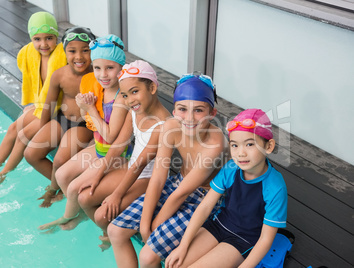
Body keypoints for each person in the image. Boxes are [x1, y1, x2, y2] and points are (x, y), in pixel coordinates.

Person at [107, 74, 227, 268]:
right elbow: (158, 177)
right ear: (174, 109)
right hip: (178, 182)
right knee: (115, 231)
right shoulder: (170, 126)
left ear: (212, 113)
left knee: (148, 256)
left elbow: (182, 194)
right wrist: (145, 225)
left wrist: (153, 227)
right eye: (182, 109)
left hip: (206, 197)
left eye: (198, 110)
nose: (189, 118)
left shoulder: (215, 143)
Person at [165, 108, 288, 268]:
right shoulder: (231, 168)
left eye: (249, 144)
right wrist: (183, 245)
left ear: (269, 146)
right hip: (219, 224)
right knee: (176, 264)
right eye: (234, 145)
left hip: (244, 239)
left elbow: (265, 239)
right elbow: (205, 207)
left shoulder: (275, 188)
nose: (241, 153)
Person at [75, 60, 171, 251]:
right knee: (84, 198)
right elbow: (118, 146)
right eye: (125, 95)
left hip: (148, 178)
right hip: (131, 167)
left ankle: (115, 235)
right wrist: (98, 174)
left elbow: (141, 165)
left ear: (152, 87)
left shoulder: (164, 124)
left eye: (135, 92)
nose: (130, 100)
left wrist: (117, 195)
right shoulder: (135, 110)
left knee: (101, 215)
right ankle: (108, 232)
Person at [0, 12, 67, 190]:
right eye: (37, 39)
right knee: (13, 128)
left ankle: (1, 177)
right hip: (43, 107)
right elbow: (40, 87)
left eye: (49, 38)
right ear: (31, 39)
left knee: (22, 136)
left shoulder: (62, 56)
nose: (43, 44)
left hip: (58, 111)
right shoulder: (30, 54)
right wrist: (35, 106)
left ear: (56, 37)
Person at [37, 34, 129, 227]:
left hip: (116, 157)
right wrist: (83, 105)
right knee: (61, 174)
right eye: (97, 68)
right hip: (97, 148)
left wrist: (90, 109)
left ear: (121, 68)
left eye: (109, 68)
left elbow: (111, 136)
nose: (103, 74)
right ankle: (77, 212)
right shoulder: (100, 87)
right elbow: (86, 117)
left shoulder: (121, 97)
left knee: (72, 189)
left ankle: (70, 217)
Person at [23, 26, 96, 207]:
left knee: (60, 160)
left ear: (93, 52)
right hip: (61, 119)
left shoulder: (97, 75)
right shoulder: (59, 75)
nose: (79, 57)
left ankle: (53, 189)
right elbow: (49, 104)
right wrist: (42, 127)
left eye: (85, 51)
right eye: (72, 51)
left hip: (82, 125)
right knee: (31, 153)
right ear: (65, 52)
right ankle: (64, 185)